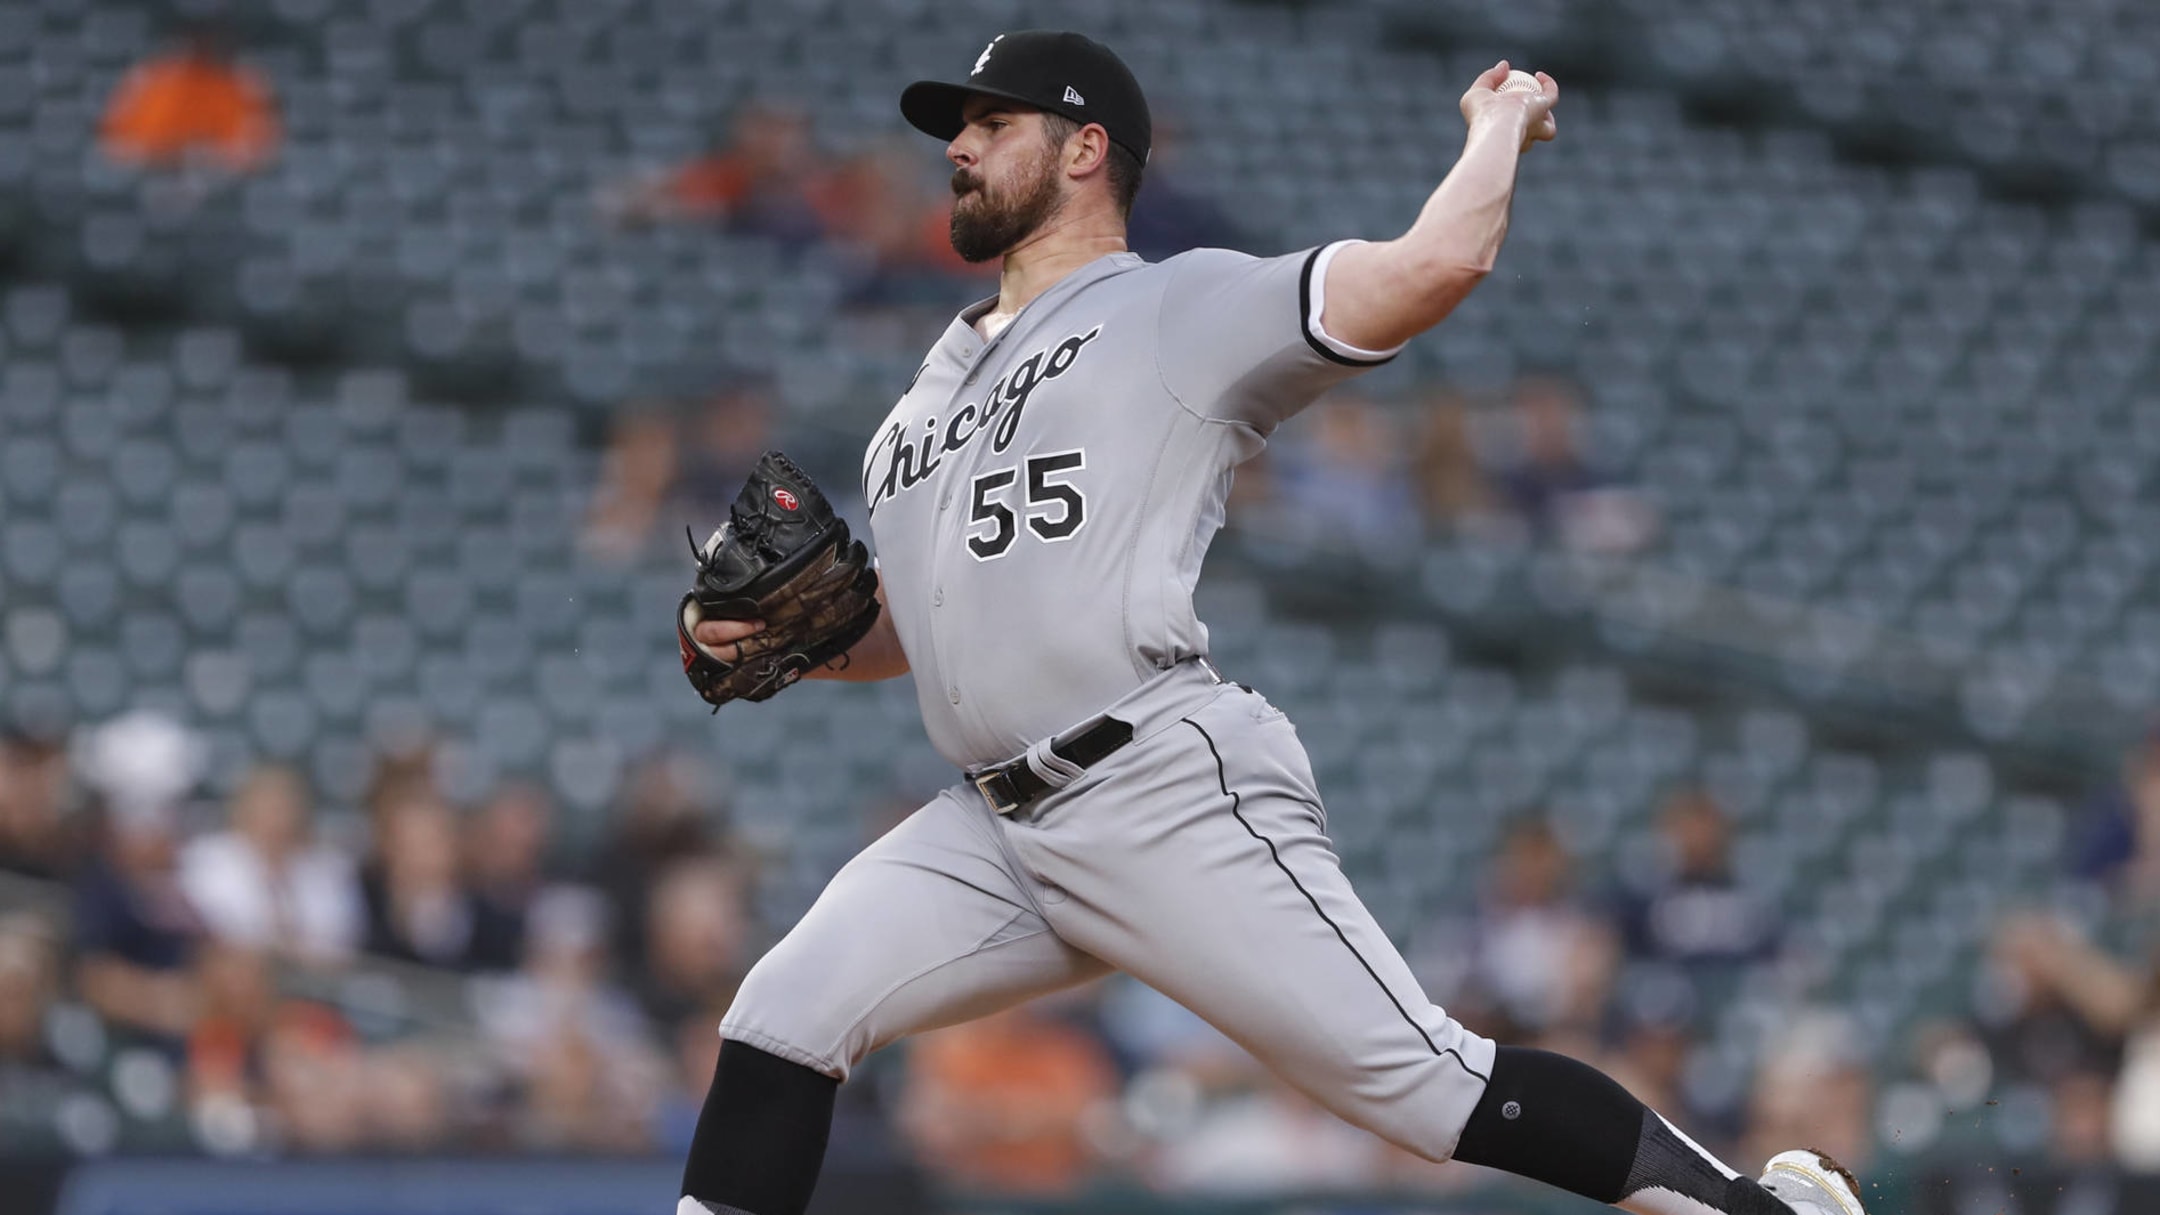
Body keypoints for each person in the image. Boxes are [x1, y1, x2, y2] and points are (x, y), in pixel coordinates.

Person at [677, 30, 1861, 1215]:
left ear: (1087, 148)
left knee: (1426, 1088)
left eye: (995, 122)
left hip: (1152, 783)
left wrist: (1497, 130)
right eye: (959, 127)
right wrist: (793, 639)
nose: (961, 146)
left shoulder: (1175, 306)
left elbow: (1431, 267)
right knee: (784, 1014)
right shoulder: (921, 403)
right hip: (993, 825)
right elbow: (911, 630)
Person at [99, 26, 279, 172]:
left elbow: (258, 148)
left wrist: (209, 158)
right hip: (157, 174)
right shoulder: (155, 81)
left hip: (221, 183)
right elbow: (120, 146)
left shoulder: (241, 83)